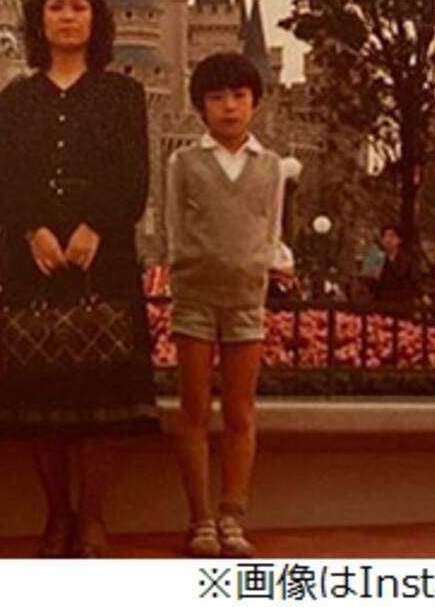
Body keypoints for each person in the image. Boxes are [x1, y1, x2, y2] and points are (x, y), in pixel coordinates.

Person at [0, 0, 156, 559]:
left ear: (95, 18)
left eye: (78, 6)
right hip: (35, 263)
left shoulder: (123, 96)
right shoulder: (16, 100)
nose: (68, 16)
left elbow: (133, 176)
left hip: (102, 260)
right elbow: (8, 176)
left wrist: (94, 224)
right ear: (40, 19)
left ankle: (92, 518)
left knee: (99, 402)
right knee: (42, 400)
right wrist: (31, 230)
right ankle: (56, 514)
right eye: (56, 6)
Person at [160, 52, 281, 559]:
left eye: (238, 96)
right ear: (201, 106)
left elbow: (270, 229)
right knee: (194, 411)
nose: (229, 106)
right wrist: (185, 268)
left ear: (255, 102)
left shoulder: (270, 166)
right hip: (195, 301)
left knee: (239, 412)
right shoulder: (185, 162)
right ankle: (201, 519)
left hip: (245, 302)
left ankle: (233, 513)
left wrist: (260, 269)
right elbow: (173, 227)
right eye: (217, 97)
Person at [369, 224, 418, 305]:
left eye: (391, 236)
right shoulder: (377, 259)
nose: (388, 239)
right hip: (382, 303)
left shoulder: (408, 260)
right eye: (384, 236)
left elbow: (414, 282)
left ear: (399, 240)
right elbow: (371, 284)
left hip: (403, 303)